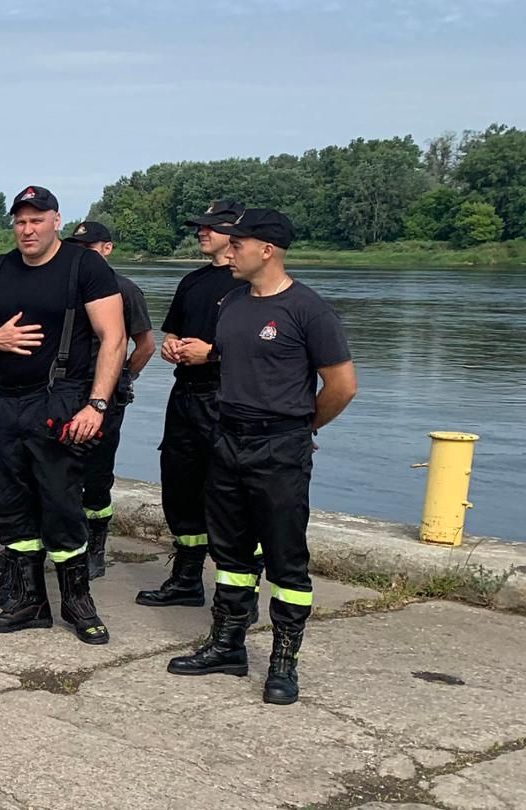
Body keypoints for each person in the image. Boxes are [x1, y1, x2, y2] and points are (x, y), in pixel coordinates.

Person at [167, 208, 356, 706]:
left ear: (265, 249)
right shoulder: (231, 303)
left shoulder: (309, 310)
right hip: (226, 439)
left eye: (238, 244)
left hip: (280, 447)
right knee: (229, 554)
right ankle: (227, 646)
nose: (228, 251)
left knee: (285, 561)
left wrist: (301, 428)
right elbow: (236, 359)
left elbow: (341, 386)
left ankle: (283, 661)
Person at [0, 186, 124, 645]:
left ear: (56, 220)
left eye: (36, 220)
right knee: (9, 504)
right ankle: (29, 601)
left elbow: (114, 338)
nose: (27, 229)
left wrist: (97, 404)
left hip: (61, 398)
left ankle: (77, 601)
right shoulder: (0, 269)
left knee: (61, 503)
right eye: (19, 221)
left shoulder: (83, 266)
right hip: (7, 400)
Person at [138, 200, 250, 608]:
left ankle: (239, 592)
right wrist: (171, 347)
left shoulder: (250, 285)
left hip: (228, 400)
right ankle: (186, 579)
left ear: (235, 231)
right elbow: (174, 333)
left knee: (228, 495)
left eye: (208, 226)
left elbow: (265, 353)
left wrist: (214, 354)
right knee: (180, 487)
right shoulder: (193, 281)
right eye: (198, 226)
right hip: (184, 395)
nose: (200, 232)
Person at [65, 221, 155, 578]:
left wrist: (124, 377)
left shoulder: (124, 290)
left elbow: (145, 345)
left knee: (97, 476)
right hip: (67, 392)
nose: (84, 254)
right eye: (78, 248)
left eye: (90, 248)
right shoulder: (66, 288)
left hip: (105, 398)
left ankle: (95, 547)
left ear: (107, 248)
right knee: (58, 471)